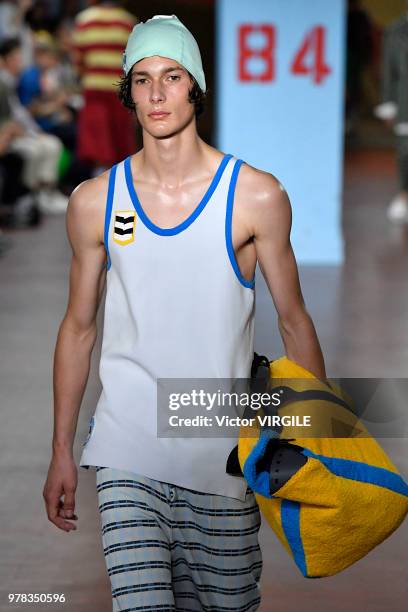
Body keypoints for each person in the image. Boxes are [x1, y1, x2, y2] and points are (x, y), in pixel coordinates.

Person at [42, 15, 327, 611]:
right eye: (141, 80)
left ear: (194, 85)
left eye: (171, 77)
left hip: (221, 459)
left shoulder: (255, 196)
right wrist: (63, 448)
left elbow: (295, 320)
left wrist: (318, 444)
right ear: (127, 91)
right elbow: (78, 327)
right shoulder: (95, 203)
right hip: (126, 451)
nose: (156, 94)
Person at [0, 37, 68, 214]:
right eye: (16, 58)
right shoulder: (7, 81)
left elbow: (19, 113)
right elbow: (18, 114)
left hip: (20, 130)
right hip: (8, 135)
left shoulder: (11, 80)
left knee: (51, 144)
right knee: (34, 150)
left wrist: (34, 132)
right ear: (5, 60)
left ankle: (46, 192)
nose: (20, 61)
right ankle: (30, 195)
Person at [71, 0, 137, 175]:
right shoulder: (127, 22)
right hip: (118, 89)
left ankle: (100, 181)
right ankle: (117, 183)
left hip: (94, 88)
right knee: (119, 141)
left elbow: (77, 59)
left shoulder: (85, 20)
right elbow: (133, 62)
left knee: (97, 141)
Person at [374, 11, 408, 223]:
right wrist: (389, 103)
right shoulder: (396, 31)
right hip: (405, 100)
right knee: (405, 152)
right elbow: (389, 70)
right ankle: (405, 195)